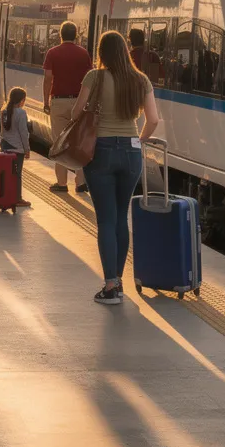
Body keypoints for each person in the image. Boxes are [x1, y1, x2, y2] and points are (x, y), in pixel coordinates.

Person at [73, 30, 160, 305]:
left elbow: (76, 113)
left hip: (101, 151)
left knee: (106, 220)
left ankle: (110, 285)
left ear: (101, 53)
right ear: (125, 50)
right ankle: (118, 281)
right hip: (132, 152)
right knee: (121, 218)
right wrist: (138, 140)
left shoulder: (94, 77)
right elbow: (154, 119)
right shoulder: (141, 79)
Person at [43, 21, 92, 194]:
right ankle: (80, 183)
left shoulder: (52, 53)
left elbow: (48, 78)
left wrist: (46, 102)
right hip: (79, 101)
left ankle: (62, 183)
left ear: (61, 35)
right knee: (78, 143)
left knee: (59, 143)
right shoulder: (83, 54)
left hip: (58, 101)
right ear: (76, 35)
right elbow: (89, 78)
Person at [0, 86, 32, 209]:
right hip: (17, 149)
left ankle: (4, 196)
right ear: (22, 100)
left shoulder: (4, 111)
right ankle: (17, 198)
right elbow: (23, 133)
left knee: (6, 174)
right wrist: (27, 149)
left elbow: (2, 132)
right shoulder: (21, 113)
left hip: (5, 146)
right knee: (16, 174)